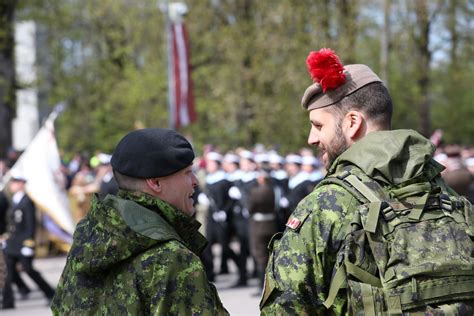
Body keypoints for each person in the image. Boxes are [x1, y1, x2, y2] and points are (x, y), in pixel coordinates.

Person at [260, 48, 473, 314]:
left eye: (318, 125)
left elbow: (285, 308)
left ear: (352, 123)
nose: (311, 139)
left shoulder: (327, 205)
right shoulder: (447, 196)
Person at [51, 128, 228, 315]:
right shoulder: (172, 258)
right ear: (156, 183)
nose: (195, 182)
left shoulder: (89, 239)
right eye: (187, 172)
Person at [1, 171, 55, 309]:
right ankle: (14, 297)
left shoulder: (27, 201)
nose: (12, 185)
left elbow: (31, 225)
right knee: (8, 272)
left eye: (15, 182)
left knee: (29, 270)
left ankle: (51, 293)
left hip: (23, 243)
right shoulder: (15, 199)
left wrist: (28, 243)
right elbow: (12, 224)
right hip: (13, 243)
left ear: (21, 184)